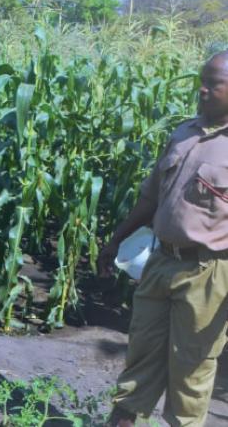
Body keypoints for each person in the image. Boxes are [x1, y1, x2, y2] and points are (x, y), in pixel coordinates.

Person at [98, 51, 228, 426]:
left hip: (209, 273)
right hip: (161, 262)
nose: (202, 90)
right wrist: (115, 240)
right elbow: (151, 198)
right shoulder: (184, 133)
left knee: (191, 371)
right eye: (201, 81)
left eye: (213, 84)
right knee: (139, 358)